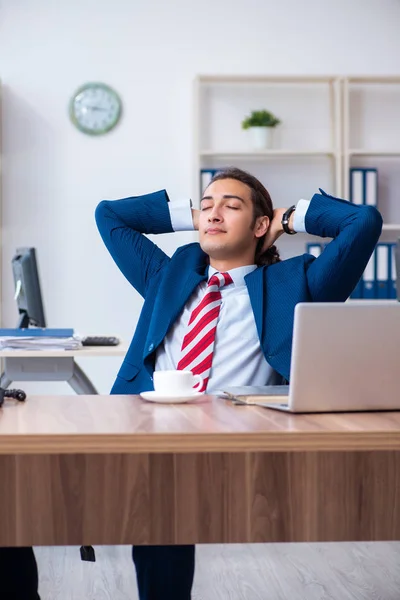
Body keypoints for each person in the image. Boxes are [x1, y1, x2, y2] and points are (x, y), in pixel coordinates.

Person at [95, 167, 382, 600]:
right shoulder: (167, 275)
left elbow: (363, 223)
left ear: (260, 225)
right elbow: (109, 216)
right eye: (207, 205)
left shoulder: (296, 285)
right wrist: (198, 217)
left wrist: (286, 220)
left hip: (240, 441)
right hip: (155, 433)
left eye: (232, 206)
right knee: (157, 507)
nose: (214, 213)